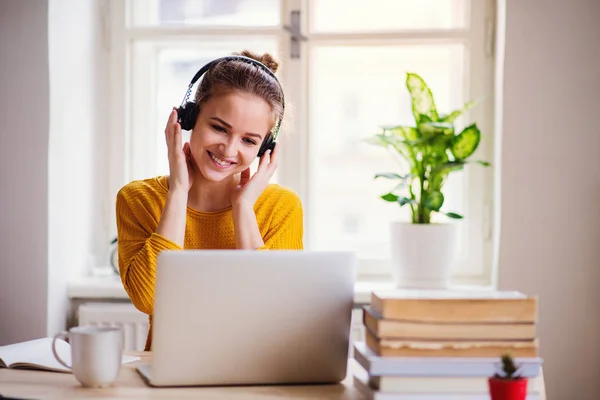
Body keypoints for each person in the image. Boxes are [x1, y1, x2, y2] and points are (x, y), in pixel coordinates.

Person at [115, 50, 303, 351]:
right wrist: (178, 192)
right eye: (218, 128)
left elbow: (275, 311)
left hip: (257, 372)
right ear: (188, 119)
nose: (229, 150)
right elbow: (149, 298)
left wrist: (243, 209)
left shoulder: (281, 207)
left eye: (249, 140)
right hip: (171, 373)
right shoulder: (138, 199)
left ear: (265, 148)